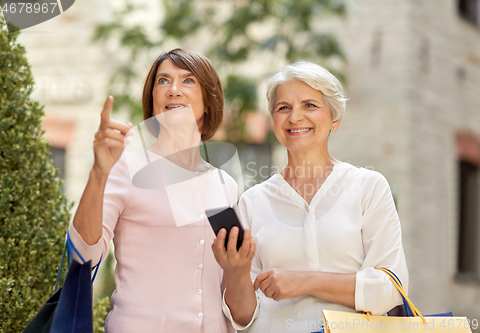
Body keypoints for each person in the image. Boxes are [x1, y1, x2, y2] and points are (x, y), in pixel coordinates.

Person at [212, 61, 408, 332]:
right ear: (274, 121)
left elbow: (390, 289)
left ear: (335, 119)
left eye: (310, 105)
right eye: (284, 108)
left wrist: (304, 282)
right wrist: (234, 272)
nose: (294, 117)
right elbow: (244, 318)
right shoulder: (252, 201)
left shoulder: (369, 187)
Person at [69, 49, 236, 332]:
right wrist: (98, 174)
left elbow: (226, 282)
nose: (173, 90)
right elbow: (83, 256)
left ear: (208, 102)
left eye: (188, 81)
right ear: (153, 101)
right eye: (163, 81)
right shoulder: (125, 168)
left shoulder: (225, 184)